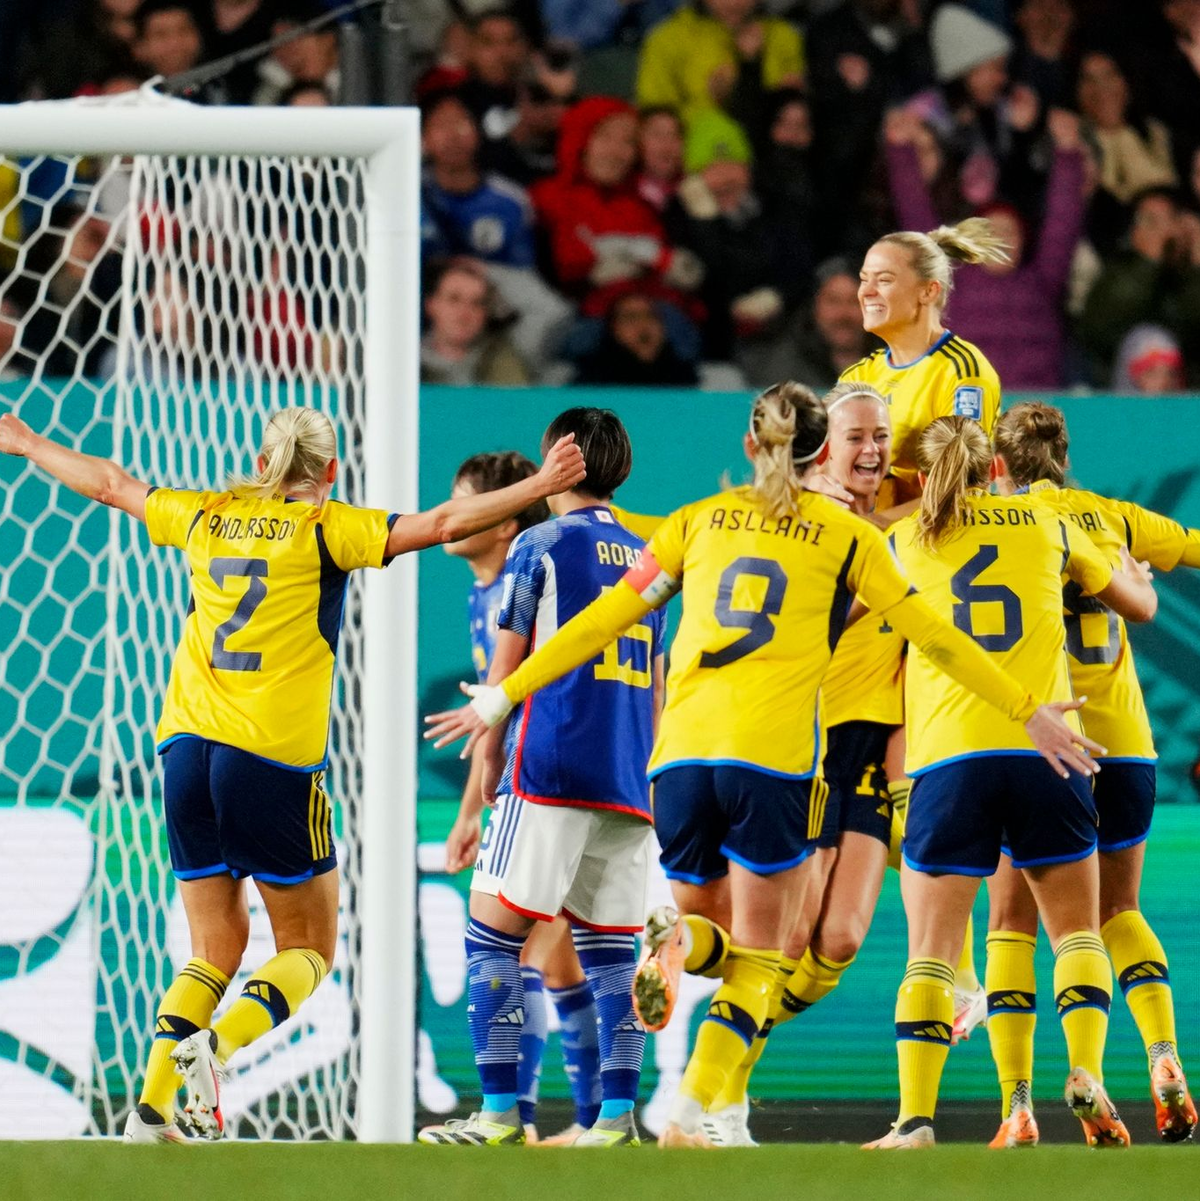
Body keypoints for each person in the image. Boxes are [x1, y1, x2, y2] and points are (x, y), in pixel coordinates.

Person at [427, 382, 1112, 1150]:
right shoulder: (849, 537)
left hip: (681, 760)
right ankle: (692, 1107)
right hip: (775, 761)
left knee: (715, 933)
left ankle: (679, 959)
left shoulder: (695, 520)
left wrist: (500, 696)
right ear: (822, 452)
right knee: (761, 956)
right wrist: (1028, 707)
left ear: (750, 445)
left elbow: (601, 620)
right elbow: (938, 635)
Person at [0, 405, 585, 1143]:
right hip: (270, 761)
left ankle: (150, 1111)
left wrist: (28, 443)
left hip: (183, 752)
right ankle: (216, 1049)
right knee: (307, 947)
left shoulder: (205, 513)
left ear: (262, 461)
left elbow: (112, 484)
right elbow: (441, 524)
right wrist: (539, 483)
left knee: (212, 949)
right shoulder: (327, 528)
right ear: (331, 469)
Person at [865, 414, 1157, 1150]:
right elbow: (1134, 604)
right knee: (1077, 931)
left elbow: (853, 612)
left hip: (949, 758)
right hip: (1047, 751)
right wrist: (1134, 576)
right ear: (992, 469)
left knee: (932, 951)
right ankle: (1086, 1070)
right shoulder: (1048, 522)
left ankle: (914, 1121)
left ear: (924, 477)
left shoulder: (905, 540)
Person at [420, 409, 667, 1149]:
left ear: (560, 460)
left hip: (551, 763)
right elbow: (657, 681)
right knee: (611, 955)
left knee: (491, 936)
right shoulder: (652, 554)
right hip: (628, 774)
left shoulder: (539, 543)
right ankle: (615, 1118)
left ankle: (501, 1114)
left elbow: (507, 669)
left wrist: (491, 762)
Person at [980, 402, 1200, 1147]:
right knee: (1120, 910)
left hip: (1040, 745)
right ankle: (1164, 1055)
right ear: (1065, 458)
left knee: (1013, 922)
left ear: (997, 465)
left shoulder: (998, 526)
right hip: (1126, 741)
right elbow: (1193, 546)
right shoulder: (1111, 516)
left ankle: (1019, 1103)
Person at [693, 382, 903, 1148]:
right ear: (821, 451)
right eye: (855, 436)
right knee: (783, 940)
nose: (871, 449)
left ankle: (726, 1051)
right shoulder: (815, 524)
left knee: (839, 939)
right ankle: (724, 1100)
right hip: (808, 745)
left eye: (881, 436)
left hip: (871, 748)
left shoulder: (887, 528)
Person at [440, 450, 603, 1145]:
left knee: (524, 951)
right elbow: (495, 710)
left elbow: (519, 700)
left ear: (504, 521)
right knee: (560, 961)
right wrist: (471, 810)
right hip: (539, 781)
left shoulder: (526, 578)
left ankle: (522, 1121)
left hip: (552, 781)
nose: (454, 516)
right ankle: (594, 1121)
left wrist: (482, 804)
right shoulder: (488, 589)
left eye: (466, 501)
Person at [885, 106, 1088, 389]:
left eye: (1010, 232)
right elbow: (915, 216)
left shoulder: (1042, 282)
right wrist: (900, 151)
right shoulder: (947, 283)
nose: (1001, 239)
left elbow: (1062, 224)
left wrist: (1068, 153)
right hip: (964, 408)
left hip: (1032, 410)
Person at [840, 217, 1006, 510]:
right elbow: (826, 468)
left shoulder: (963, 372)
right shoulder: (857, 377)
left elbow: (961, 490)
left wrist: (876, 525)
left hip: (936, 536)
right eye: (865, 279)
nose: (866, 292)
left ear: (929, 291)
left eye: (884, 280)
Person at [420, 90, 538, 271]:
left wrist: (480, 272)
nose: (453, 135)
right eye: (440, 125)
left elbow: (523, 274)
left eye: (461, 122)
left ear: (478, 131)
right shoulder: (409, 196)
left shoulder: (510, 201)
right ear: (423, 138)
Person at [420, 258, 532, 386]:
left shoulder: (510, 351)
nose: (464, 313)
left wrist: (488, 271)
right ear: (431, 304)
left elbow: (546, 310)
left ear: (487, 312)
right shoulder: (407, 359)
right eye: (454, 299)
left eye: (476, 303)